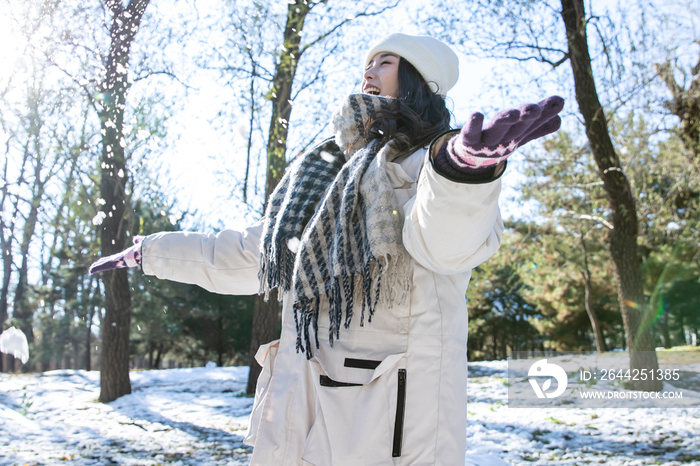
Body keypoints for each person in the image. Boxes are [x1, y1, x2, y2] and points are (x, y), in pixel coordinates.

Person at [90, 33, 563, 466]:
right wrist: (150, 252)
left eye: (386, 61)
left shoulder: (434, 162)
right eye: (367, 63)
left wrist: (464, 176)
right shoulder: (327, 172)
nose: (369, 71)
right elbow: (251, 253)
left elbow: (445, 246)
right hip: (301, 402)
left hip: (389, 420)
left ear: (421, 79)